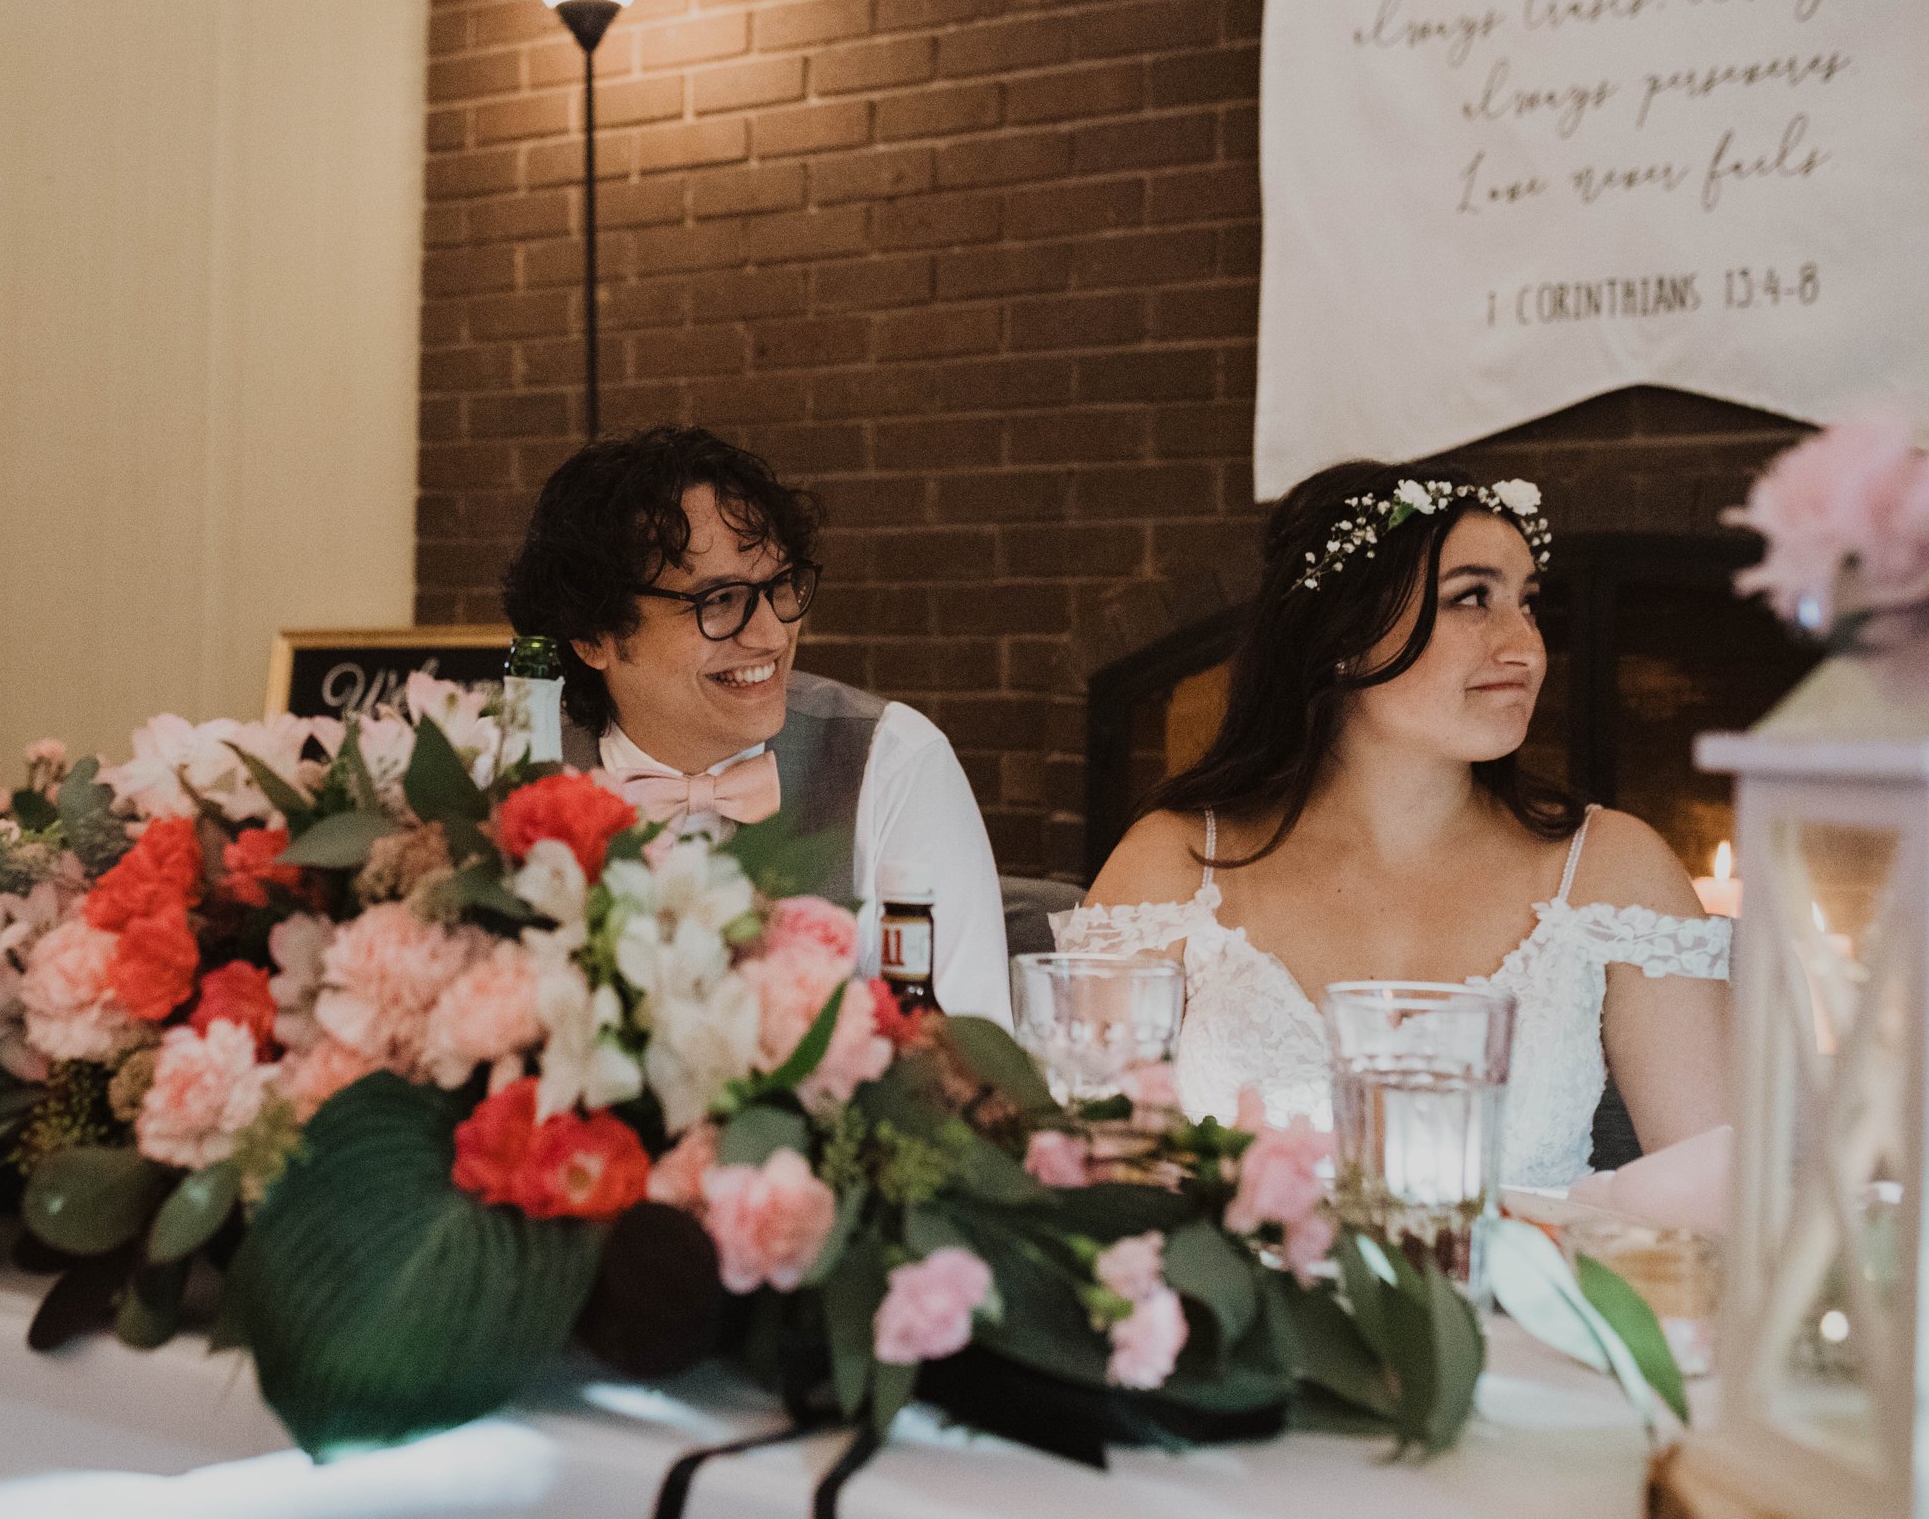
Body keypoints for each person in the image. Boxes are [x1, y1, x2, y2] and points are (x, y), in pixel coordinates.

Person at [1057, 460, 1729, 1187]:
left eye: (1528, 603)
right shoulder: (1176, 859)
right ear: (1344, 637)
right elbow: (1080, 1174)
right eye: (1472, 598)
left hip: (1523, 1297)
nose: (1527, 648)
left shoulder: (1612, 868)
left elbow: (1722, 1198)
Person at [503, 426, 1010, 1024]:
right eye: (718, 600)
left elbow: (974, 1058)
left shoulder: (894, 762)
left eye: (778, 588)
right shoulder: (511, 769)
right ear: (593, 635)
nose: (771, 636)